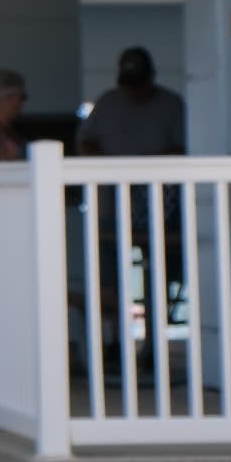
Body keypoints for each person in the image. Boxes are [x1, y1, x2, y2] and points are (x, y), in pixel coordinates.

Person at [75, 47, 187, 361]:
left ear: (151, 77)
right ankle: (112, 343)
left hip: (163, 214)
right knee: (108, 280)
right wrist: (107, 165)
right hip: (111, 212)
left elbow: (183, 148)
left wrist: (148, 169)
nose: (134, 90)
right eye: (129, 83)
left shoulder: (171, 105)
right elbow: (85, 141)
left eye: (139, 82)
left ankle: (153, 347)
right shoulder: (107, 103)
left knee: (162, 278)